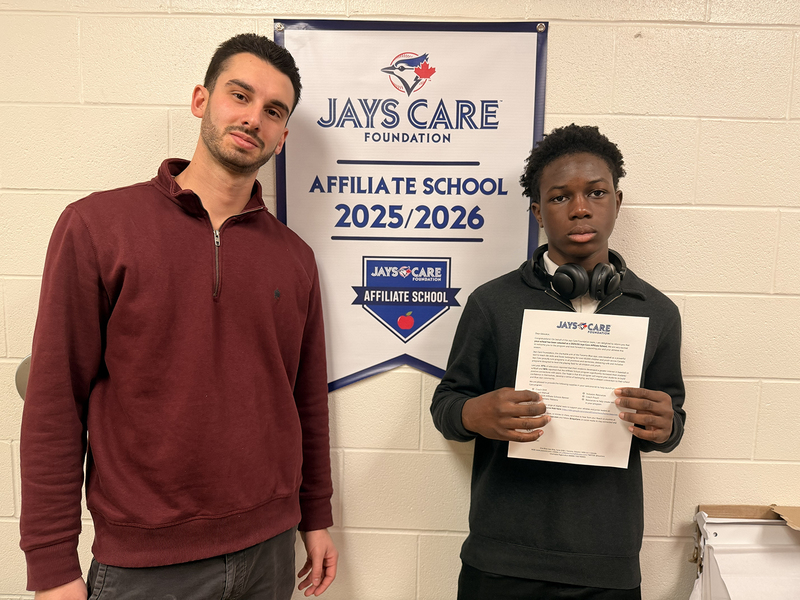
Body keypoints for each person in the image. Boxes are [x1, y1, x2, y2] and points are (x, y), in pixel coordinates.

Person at [20, 33, 337, 599]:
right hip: (146, 565)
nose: (252, 118)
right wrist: (51, 566)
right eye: (239, 95)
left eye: (273, 110)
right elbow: (54, 399)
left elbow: (306, 400)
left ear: (283, 136)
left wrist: (315, 514)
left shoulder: (296, 258)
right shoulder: (98, 226)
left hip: (269, 549)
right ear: (200, 99)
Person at [431, 124, 685, 599]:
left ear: (617, 202)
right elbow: (447, 406)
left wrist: (665, 425)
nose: (581, 208)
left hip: (604, 565)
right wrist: (474, 413)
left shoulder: (657, 311)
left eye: (596, 192)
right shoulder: (492, 303)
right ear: (537, 211)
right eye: (559, 197)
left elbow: (673, 424)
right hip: (501, 560)